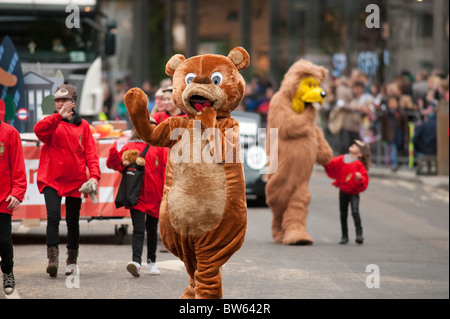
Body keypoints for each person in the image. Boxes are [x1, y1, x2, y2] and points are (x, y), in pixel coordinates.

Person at [34, 84, 100, 278]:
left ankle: (72, 260)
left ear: (73, 102)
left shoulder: (84, 126)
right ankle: (52, 259)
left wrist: (94, 177)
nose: (60, 103)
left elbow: (91, 155)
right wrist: (57, 117)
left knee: (73, 221)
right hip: (51, 179)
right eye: (57, 100)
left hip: (75, 181)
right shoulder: (51, 122)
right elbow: (39, 131)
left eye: (64, 100)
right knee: (53, 217)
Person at [106, 126, 168, 277]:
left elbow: (167, 168)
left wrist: (167, 190)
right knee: (138, 229)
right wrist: (113, 153)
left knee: (152, 230)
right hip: (137, 196)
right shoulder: (129, 146)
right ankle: (136, 263)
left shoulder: (160, 147)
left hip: (155, 195)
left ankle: (152, 262)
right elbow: (116, 165)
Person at [325, 140, 370, 245]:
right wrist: (324, 160)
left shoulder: (359, 164)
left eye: (357, 146)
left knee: (355, 212)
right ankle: (344, 235)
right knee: (343, 214)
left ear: (360, 154)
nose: (354, 145)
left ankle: (359, 234)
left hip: (354, 192)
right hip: (343, 191)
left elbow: (364, 177)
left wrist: (359, 178)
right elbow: (331, 163)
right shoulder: (341, 159)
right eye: (354, 144)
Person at [0, 120, 27, 295]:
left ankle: (7, 271)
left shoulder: (10, 133)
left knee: (3, 240)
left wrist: (17, 192)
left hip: (3, 198)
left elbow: (18, 165)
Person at [380, 96, 409, 171]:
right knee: (393, 149)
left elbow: (405, 125)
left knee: (397, 149)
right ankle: (394, 164)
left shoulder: (401, 112)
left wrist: (406, 135)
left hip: (399, 134)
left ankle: (398, 163)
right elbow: (383, 126)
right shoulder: (386, 113)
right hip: (390, 135)